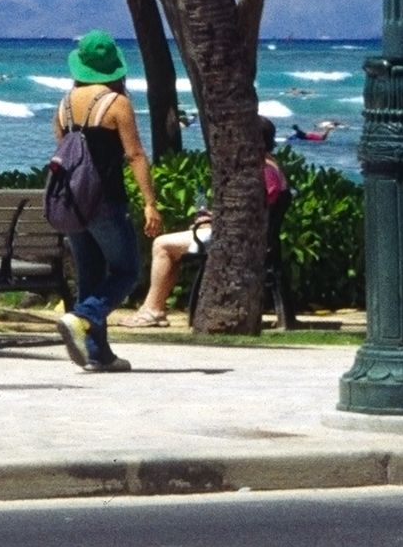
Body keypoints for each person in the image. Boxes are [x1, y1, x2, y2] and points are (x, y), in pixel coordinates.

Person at [51, 30, 159, 372]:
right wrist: (149, 202)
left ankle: (98, 355)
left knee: (90, 276)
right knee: (126, 272)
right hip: (106, 201)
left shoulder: (64, 105)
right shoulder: (117, 104)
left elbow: (63, 153)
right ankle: (82, 317)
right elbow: (136, 155)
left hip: (73, 202)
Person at [130, 121, 286, 328]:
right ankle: (154, 307)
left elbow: (250, 213)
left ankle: (153, 309)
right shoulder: (269, 165)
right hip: (248, 235)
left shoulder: (261, 171)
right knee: (170, 246)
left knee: (162, 244)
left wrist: (213, 220)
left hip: (239, 239)